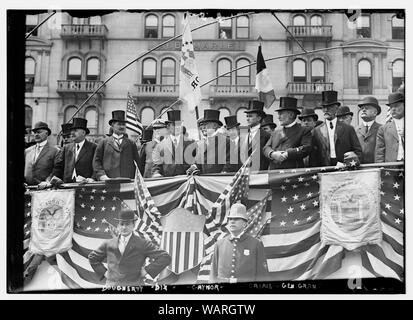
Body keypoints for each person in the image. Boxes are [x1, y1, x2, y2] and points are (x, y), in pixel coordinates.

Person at [88, 209, 171, 286]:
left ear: (133, 225)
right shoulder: (109, 243)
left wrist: (146, 271)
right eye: (122, 224)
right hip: (113, 287)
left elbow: (165, 257)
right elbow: (92, 258)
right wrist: (105, 273)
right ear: (118, 225)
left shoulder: (142, 243)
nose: (124, 227)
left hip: (135, 287)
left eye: (127, 224)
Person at [210, 202, 268, 283]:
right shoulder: (219, 244)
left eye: (236, 219)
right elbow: (213, 274)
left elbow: (262, 275)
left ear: (244, 223)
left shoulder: (256, 244)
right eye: (230, 219)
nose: (232, 221)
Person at [311, 91, 362, 167]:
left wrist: (348, 164)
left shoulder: (348, 129)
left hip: (344, 168)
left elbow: (358, 152)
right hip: (324, 169)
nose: (325, 110)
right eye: (323, 108)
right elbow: (313, 156)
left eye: (329, 107)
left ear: (336, 108)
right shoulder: (317, 131)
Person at [263, 97, 312, 170]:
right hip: (274, 174)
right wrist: (272, 154)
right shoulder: (276, 132)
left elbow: (306, 148)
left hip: (292, 173)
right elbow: (266, 148)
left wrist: (287, 154)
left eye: (281, 114)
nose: (278, 117)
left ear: (291, 115)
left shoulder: (303, 131)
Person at [93, 110, 140, 180]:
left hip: (127, 181)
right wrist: (101, 175)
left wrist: (136, 178)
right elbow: (96, 161)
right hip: (108, 181)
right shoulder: (103, 143)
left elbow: (137, 163)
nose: (122, 127)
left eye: (123, 124)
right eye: (119, 124)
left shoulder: (131, 143)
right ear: (112, 125)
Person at [152, 110, 195, 177]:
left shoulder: (191, 142)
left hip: (186, 180)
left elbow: (197, 161)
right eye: (174, 125)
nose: (177, 127)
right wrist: (156, 173)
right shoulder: (160, 145)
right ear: (168, 126)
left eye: (179, 124)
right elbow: (157, 166)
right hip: (169, 182)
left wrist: (193, 167)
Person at [53, 118, 97, 183]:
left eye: (75, 130)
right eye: (71, 131)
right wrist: (55, 178)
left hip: (85, 185)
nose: (72, 133)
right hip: (67, 185)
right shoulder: (66, 148)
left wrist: (92, 178)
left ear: (83, 132)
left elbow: (97, 166)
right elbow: (59, 167)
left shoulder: (93, 147)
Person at [187, 109, 231, 174]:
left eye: (206, 124)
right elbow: (198, 162)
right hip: (204, 181)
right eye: (203, 125)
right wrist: (193, 168)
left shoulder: (226, 141)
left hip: (218, 181)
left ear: (215, 125)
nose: (203, 127)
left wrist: (223, 174)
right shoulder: (201, 144)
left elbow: (229, 162)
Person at [24, 121, 60, 187]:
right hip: (27, 187)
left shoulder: (55, 151)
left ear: (46, 133)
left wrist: (48, 181)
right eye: (35, 132)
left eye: (39, 132)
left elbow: (57, 169)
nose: (36, 134)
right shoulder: (27, 151)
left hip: (45, 189)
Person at [376, 92, 405, 162]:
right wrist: (381, 168)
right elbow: (379, 152)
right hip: (391, 167)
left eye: (396, 106)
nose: (393, 109)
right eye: (391, 107)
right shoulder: (383, 129)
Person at [242, 100, 271, 171]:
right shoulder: (243, 134)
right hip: (244, 173)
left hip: (259, 173)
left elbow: (266, 158)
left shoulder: (266, 136)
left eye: (250, 116)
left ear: (259, 118)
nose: (247, 119)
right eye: (247, 116)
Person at [356, 96, 382, 164]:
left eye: (367, 108)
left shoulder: (382, 129)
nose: (363, 110)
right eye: (362, 108)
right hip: (358, 167)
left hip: (375, 166)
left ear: (375, 113)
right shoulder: (355, 130)